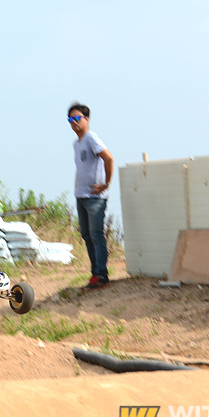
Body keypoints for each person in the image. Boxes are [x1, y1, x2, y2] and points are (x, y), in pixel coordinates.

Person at [67, 102, 114, 290]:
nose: (74, 122)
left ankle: (102, 275)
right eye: (70, 119)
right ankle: (95, 274)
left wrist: (105, 184)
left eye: (77, 118)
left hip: (95, 197)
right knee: (87, 235)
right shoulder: (77, 143)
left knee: (96, 235)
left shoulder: (91, 138)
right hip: (81, 195)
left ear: (87, 119)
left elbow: (108, 158)